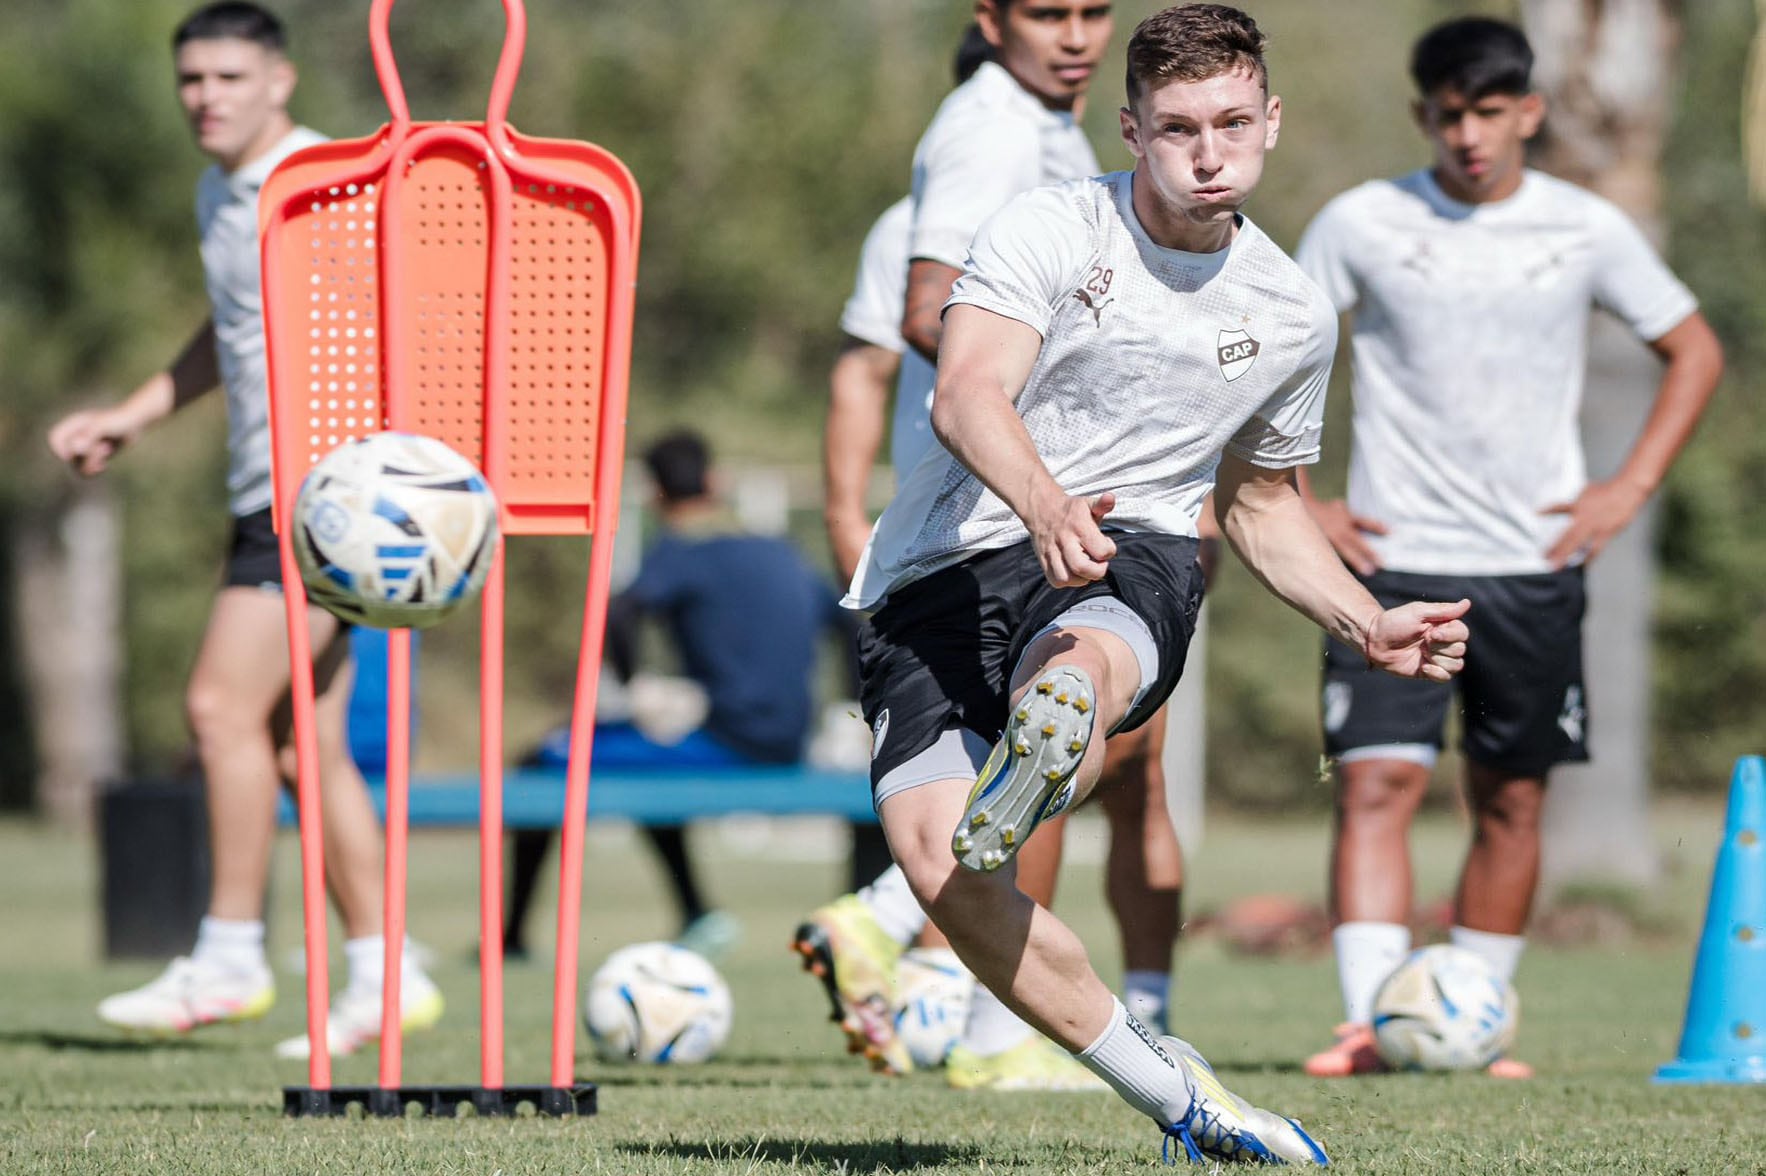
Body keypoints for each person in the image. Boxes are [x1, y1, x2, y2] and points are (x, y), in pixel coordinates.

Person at [844, 3, 1479, 1161]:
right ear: (1130, 127)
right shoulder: (1046, 226)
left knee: (1086, 640)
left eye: (1231, 123)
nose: (1206, 152)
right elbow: (964, 392)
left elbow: (1259, 506)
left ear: (1268, 124)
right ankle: (1181, 1098)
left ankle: (1056, 724)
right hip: (935, 571)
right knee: (945, 876)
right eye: (1177, 126)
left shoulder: (1286, 310)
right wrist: (1039, 501)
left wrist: (1363, 617)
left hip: (1125, 552)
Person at [1294, 16, 1723, 1079]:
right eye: (1447, 115)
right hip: (1390, 562)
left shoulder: (1582, 228)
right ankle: (1368, 1025)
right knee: (1373, 786)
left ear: (1526, 111)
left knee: (1509, 797)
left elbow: (1692, 349)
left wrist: (1624, 487)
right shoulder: (1358, 222)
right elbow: (1277, 356)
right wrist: (1303, 507)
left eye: (1488, 112)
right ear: (1421, 116)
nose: (1468, 135)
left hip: (1529, 572)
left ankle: (1473, 1016)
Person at [808, 0, 1194, 1091]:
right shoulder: (988, 127)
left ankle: (916, 946)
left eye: (1090, 13)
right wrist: (1079, 384)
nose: (1073, 36)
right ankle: (972, 1009)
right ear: (992, 21)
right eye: (1046, 14)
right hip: (998, 517)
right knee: (1065, 735)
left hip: (1025, 501)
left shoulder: (1055, 134)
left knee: (1080, 742)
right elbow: (933, 311)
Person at [47, 2, 443, 1060]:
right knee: (297, 743)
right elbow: (231, 327)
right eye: (191, 81)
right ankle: (385, 972)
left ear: (279, 82)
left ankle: (228, 955)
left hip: (328, 502)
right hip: (260, 496)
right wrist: (132, 414)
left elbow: (421, 312)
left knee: (218, 708)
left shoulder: (327, 184)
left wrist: (394, 475)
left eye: (228, 77)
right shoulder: (219, 192)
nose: (206, 98)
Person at [503, 430, 856, 960]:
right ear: (716, 481)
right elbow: (852, 623)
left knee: (539, 763)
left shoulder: (682, 549)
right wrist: (854, 708)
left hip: (729, 744)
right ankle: (699, 913)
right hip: (791, 742)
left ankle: (509, 940)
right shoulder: (780, 549)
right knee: (649, 767)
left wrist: (634, 685)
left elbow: (618, 611)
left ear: (655, 493)